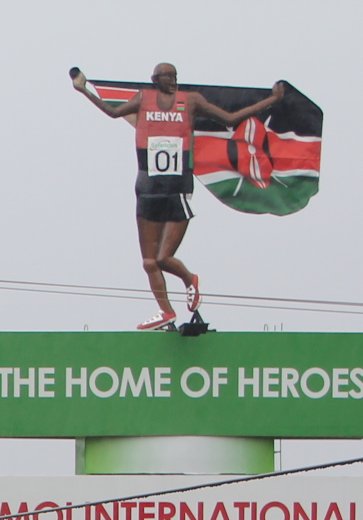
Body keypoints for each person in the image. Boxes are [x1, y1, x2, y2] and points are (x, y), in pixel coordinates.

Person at [72, 65, 287, 329]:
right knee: (149, 261)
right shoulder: (143, 98)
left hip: (177, 187)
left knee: (164, 258)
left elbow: (230, 119)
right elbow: (114, 112)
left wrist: (272, 100)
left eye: (175, 77)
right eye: (167, 77)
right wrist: (84, 90)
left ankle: (190, 278)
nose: (173, 81)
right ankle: (166, 312)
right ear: (155, 81)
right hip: (148, 187)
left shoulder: (191, 100)